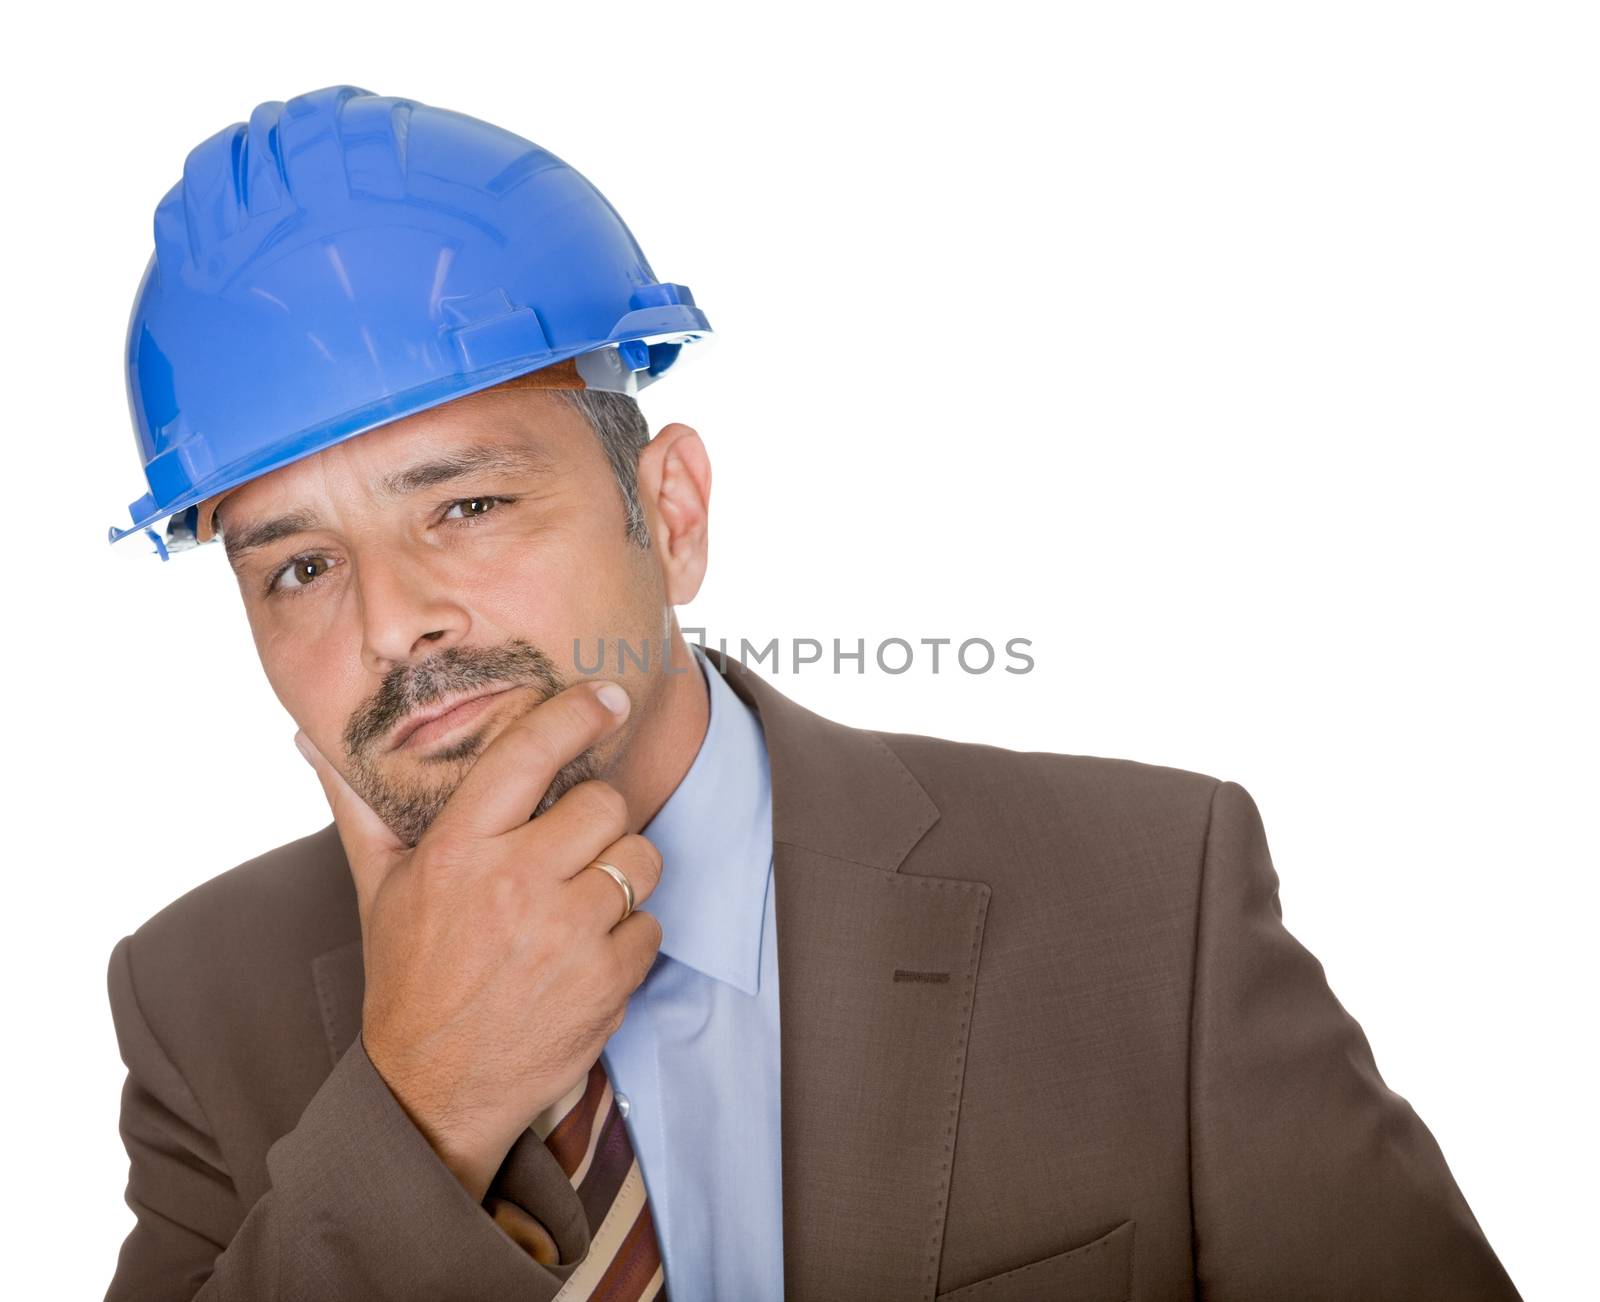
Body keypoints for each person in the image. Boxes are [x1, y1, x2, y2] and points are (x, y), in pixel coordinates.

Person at [102, 85, 1522, 1302]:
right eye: (296, 569)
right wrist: (420, 1106)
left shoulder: (1151, 904)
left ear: (670, 511)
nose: (397, 621)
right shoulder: (200, 1000)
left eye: (466, 503)